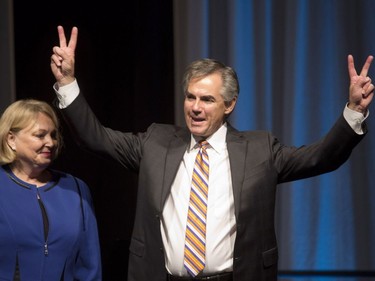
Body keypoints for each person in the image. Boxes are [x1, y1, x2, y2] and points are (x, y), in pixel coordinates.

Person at [50, 25, 373, 281]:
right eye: (190, 97)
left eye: (207, 100)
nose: (195, 108)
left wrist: (354, 111)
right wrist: (67, 82)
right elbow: (96, 139)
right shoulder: (156, 142)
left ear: (229, 105)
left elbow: (320, 157)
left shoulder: (260, 149)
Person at [0, 99, 102, 280]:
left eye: (53, 135)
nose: (51, 142)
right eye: (40, 135)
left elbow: (90, 265)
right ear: (11, 139)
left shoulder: (75, 188)